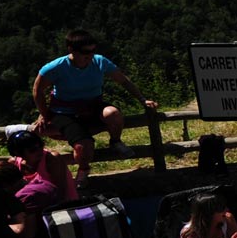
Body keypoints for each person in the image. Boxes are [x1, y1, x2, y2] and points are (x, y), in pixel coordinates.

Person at [32, 30, 158, 181]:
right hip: (64, 111)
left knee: (113, 114)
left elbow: (123, 81)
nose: (90, 55)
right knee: (83, 146)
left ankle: (115, 141)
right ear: (71, 49)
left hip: (93, 105)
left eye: (93, 51)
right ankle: (83, 170)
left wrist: (143, 100)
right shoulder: (55, 67)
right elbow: (37, 90)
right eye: (85, 52)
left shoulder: (99, 61)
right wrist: (45, 114)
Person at [5, 128, 75, 210]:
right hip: (31, 206)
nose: (39, 151)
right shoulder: (14, 164)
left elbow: (61, 192)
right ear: (19, 153)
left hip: (59, 206)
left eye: (41, 146)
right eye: (33, 150)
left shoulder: (51, 159)